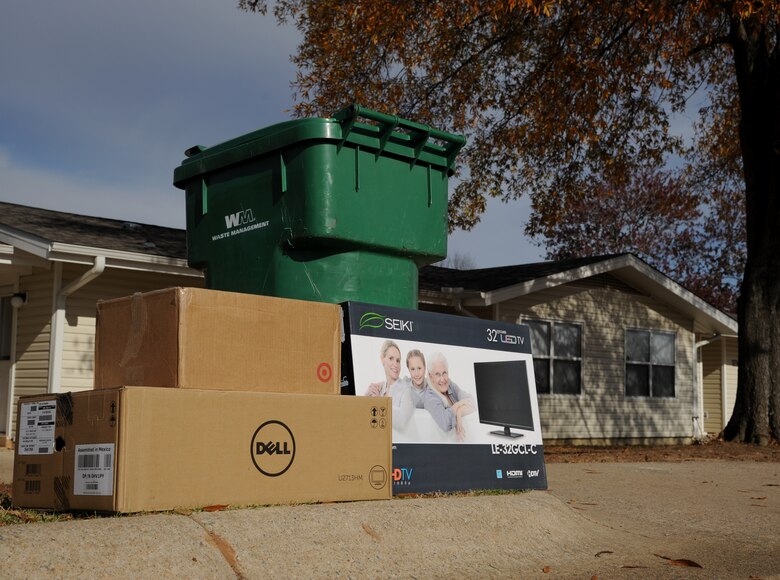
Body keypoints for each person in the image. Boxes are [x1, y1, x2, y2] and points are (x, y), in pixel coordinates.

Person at [423, 351, 475, 441]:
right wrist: (459, 404)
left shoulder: (450, 384)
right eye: (437, 374)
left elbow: (471, 401)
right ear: (431, 377)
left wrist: (459, 413)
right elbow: (445, 422)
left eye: (444, 373)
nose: (442, 379)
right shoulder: (430, 397)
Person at [364, 340, 414, 427]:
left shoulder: (406, 389)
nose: (395, 364)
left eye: (398, 360)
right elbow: (363, 413)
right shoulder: (381, 388)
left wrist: (380, 402)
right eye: (391, 358)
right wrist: (367, 394)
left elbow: (402, 421)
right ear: (382, 359)